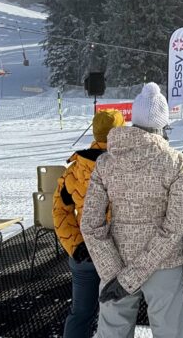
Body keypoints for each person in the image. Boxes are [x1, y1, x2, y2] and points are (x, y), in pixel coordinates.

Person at [81, 82, 183, 338]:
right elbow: (175, 226)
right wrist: (135, 273)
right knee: (172, 332)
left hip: (117, 260)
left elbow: (90, 224)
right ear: (162, 123)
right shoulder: (175, 162)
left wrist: (115, 272)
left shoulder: (106, 162)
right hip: (163, 262)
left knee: (112, 333)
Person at [53, 108, 125, 338]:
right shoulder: (129, 167)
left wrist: (75, 245)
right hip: (119, 252)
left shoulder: (74, 170)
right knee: (117, 317)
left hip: (85, 251)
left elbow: (60, 212)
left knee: (81, 313)